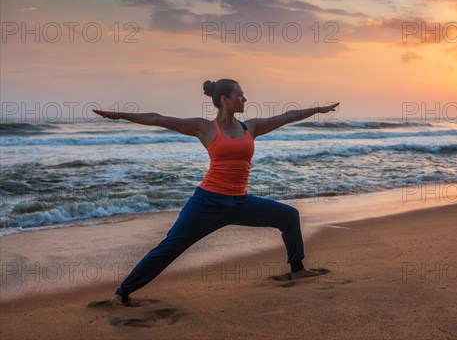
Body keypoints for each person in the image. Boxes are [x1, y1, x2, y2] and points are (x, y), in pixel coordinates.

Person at [92, 79, 340, 305]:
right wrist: (122, 115)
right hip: (207, 203)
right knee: (170, 247)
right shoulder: (204, 128)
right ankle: (122, 292)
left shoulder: (250, 127)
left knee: (289, 216)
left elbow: (287, 116)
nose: (244, 99)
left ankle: (297, 270)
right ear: (225, 99)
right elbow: (159, 119)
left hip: (241, 202)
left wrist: (317, 110)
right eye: (240, 95)